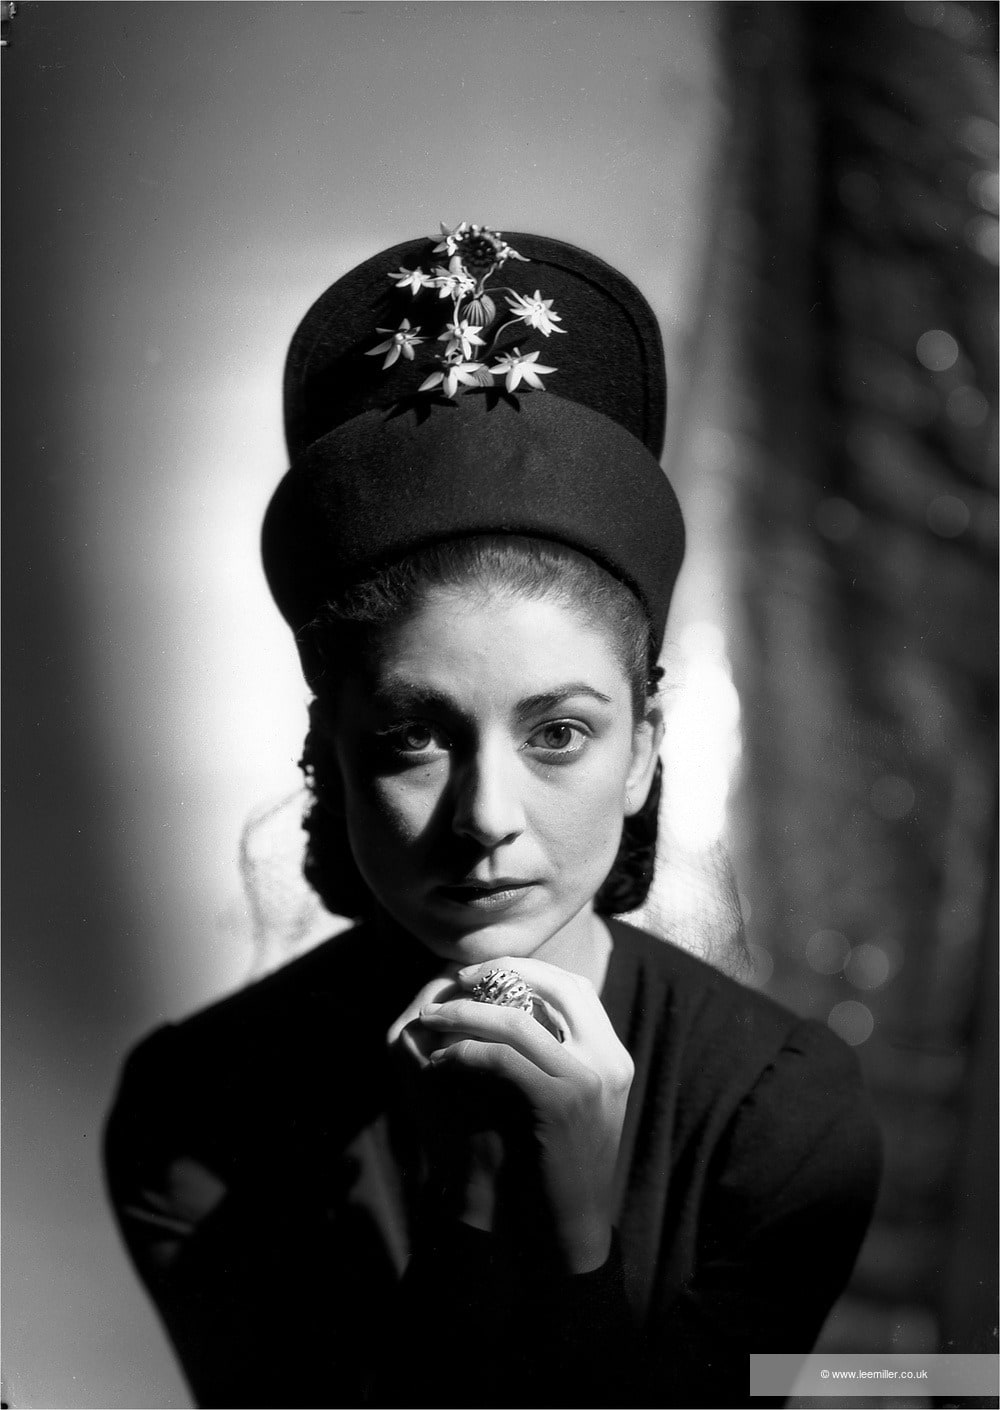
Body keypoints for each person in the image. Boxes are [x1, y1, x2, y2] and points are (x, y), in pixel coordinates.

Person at [104, 224, 882, 1409]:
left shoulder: (783, 1112)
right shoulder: (192, 1111)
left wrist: (572, 1224)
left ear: (644, 752)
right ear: (331, 760)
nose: (485, 819)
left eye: (558, 734)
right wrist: (476, 1191)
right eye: (414, 736)